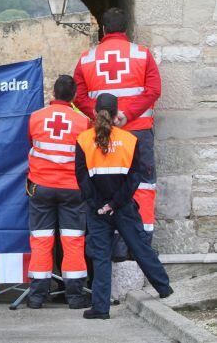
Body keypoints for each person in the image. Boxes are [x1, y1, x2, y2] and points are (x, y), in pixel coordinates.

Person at [75, 93, 172, 319]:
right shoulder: (130, 140)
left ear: (95, 113)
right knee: (140, 247)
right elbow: (135, 177)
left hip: (97, 210)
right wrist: (114, 203)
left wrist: (99, 205)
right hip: (124, 207)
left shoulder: (83, 140)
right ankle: (164, 288)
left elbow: (82, 177)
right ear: (117, 114)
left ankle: (100, 309)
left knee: (100, 257)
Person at [73, 7, 160, 246]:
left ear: (103, 29)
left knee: (104, 184)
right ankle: (140, 243)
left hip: (102, 133)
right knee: (142, 183)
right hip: (138, 130)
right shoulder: (141, 54)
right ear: (126, 29)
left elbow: (78, 95)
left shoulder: (87, 58)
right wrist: (127, 114)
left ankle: (113, 244)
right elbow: (153, 90)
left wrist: (103, 116)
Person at [26, 75, 90, 309]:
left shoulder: (35, 118)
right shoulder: (83, 122)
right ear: (73, 96)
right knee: (72, 241)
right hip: (71, 189)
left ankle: (36, 297)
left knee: (41, 240)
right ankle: (74, 297)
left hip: (41, 188)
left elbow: (31, 142)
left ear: (53, 92)